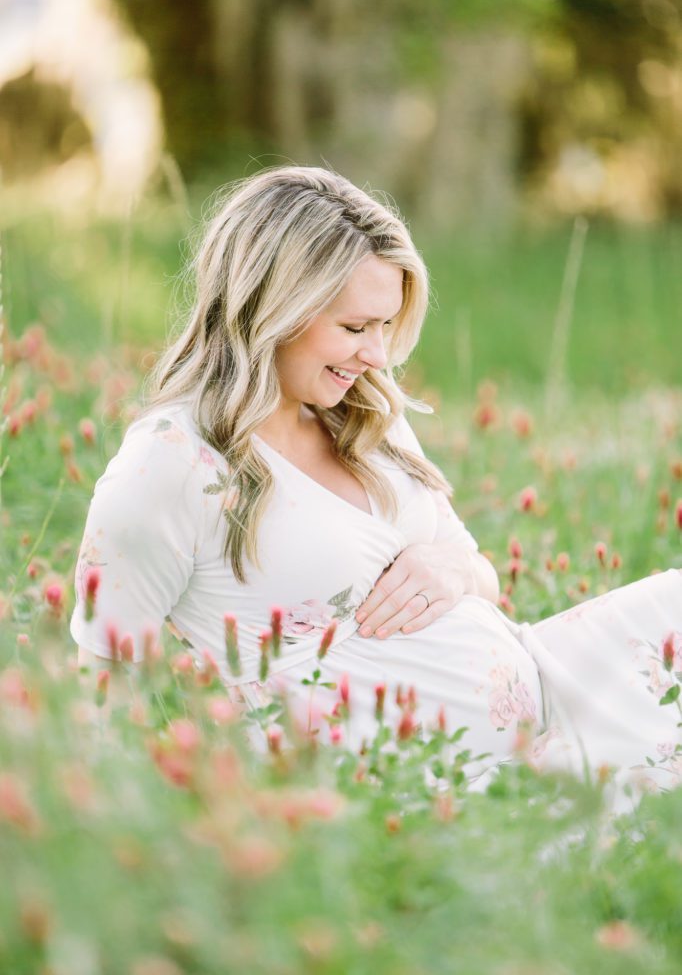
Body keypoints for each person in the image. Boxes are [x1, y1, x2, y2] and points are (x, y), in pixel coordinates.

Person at [70, 165, 682, 801]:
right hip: (418, 792)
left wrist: (453, 572)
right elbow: (106, 688)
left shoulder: (368, 414)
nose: (378, 355)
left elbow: (480, 575)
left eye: (386, 326)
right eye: (355, 328)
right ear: (271, 309)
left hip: (548, 688)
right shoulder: (171, 466)